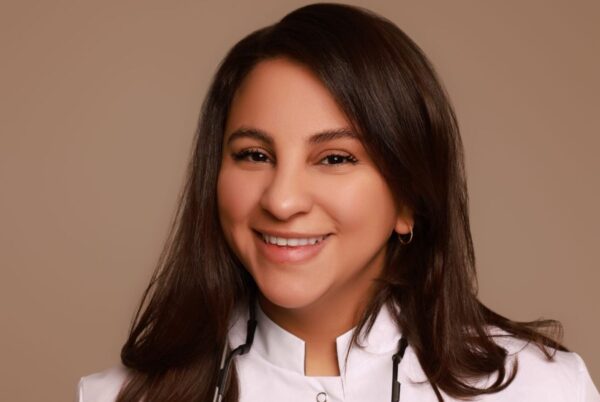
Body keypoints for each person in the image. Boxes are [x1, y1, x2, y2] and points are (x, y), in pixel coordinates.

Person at [77, 3, 599, 401]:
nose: (282, 201)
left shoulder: (541, 389)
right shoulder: (114, 397)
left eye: (334, 158)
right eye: (255, 154)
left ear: (408, 199)